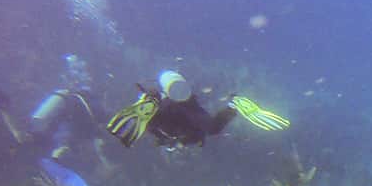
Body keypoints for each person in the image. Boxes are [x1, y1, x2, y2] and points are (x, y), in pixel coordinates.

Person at [106, 69, 289, 151]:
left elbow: (196, 133)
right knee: (210, 128)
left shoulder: (166, 132)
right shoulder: (170, 132)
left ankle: (234, 104)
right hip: (175, 112)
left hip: (173, 112)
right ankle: (234, 105)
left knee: (212, 129)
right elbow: (195, 133)